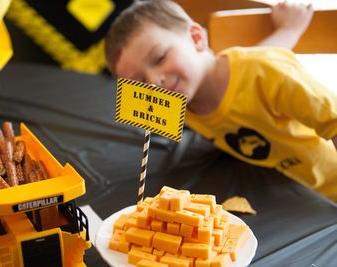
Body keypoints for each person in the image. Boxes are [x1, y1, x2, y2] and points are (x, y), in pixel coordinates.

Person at [104, 0, 337, 202]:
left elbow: (263, 71)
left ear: (196, 38)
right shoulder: (179, 102)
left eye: (160, 57)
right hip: (284, 195)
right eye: (139, 83)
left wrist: (290, 30)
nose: (154, 82)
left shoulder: (267, 72)